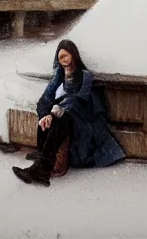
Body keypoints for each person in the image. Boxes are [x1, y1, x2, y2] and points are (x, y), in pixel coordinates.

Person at [12, 39, 125, 186]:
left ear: (73, 55)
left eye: (66, 56)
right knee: (47, 119)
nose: (63, 60)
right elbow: (46, 97)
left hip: (81, 118)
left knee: (61, 119)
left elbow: (80, 99)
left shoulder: (85, 75)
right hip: (60, 113)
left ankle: (40, 170)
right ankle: (43, 158)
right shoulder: (58, 74)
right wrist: (45, 114)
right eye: (60, 57)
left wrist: (58, 111)